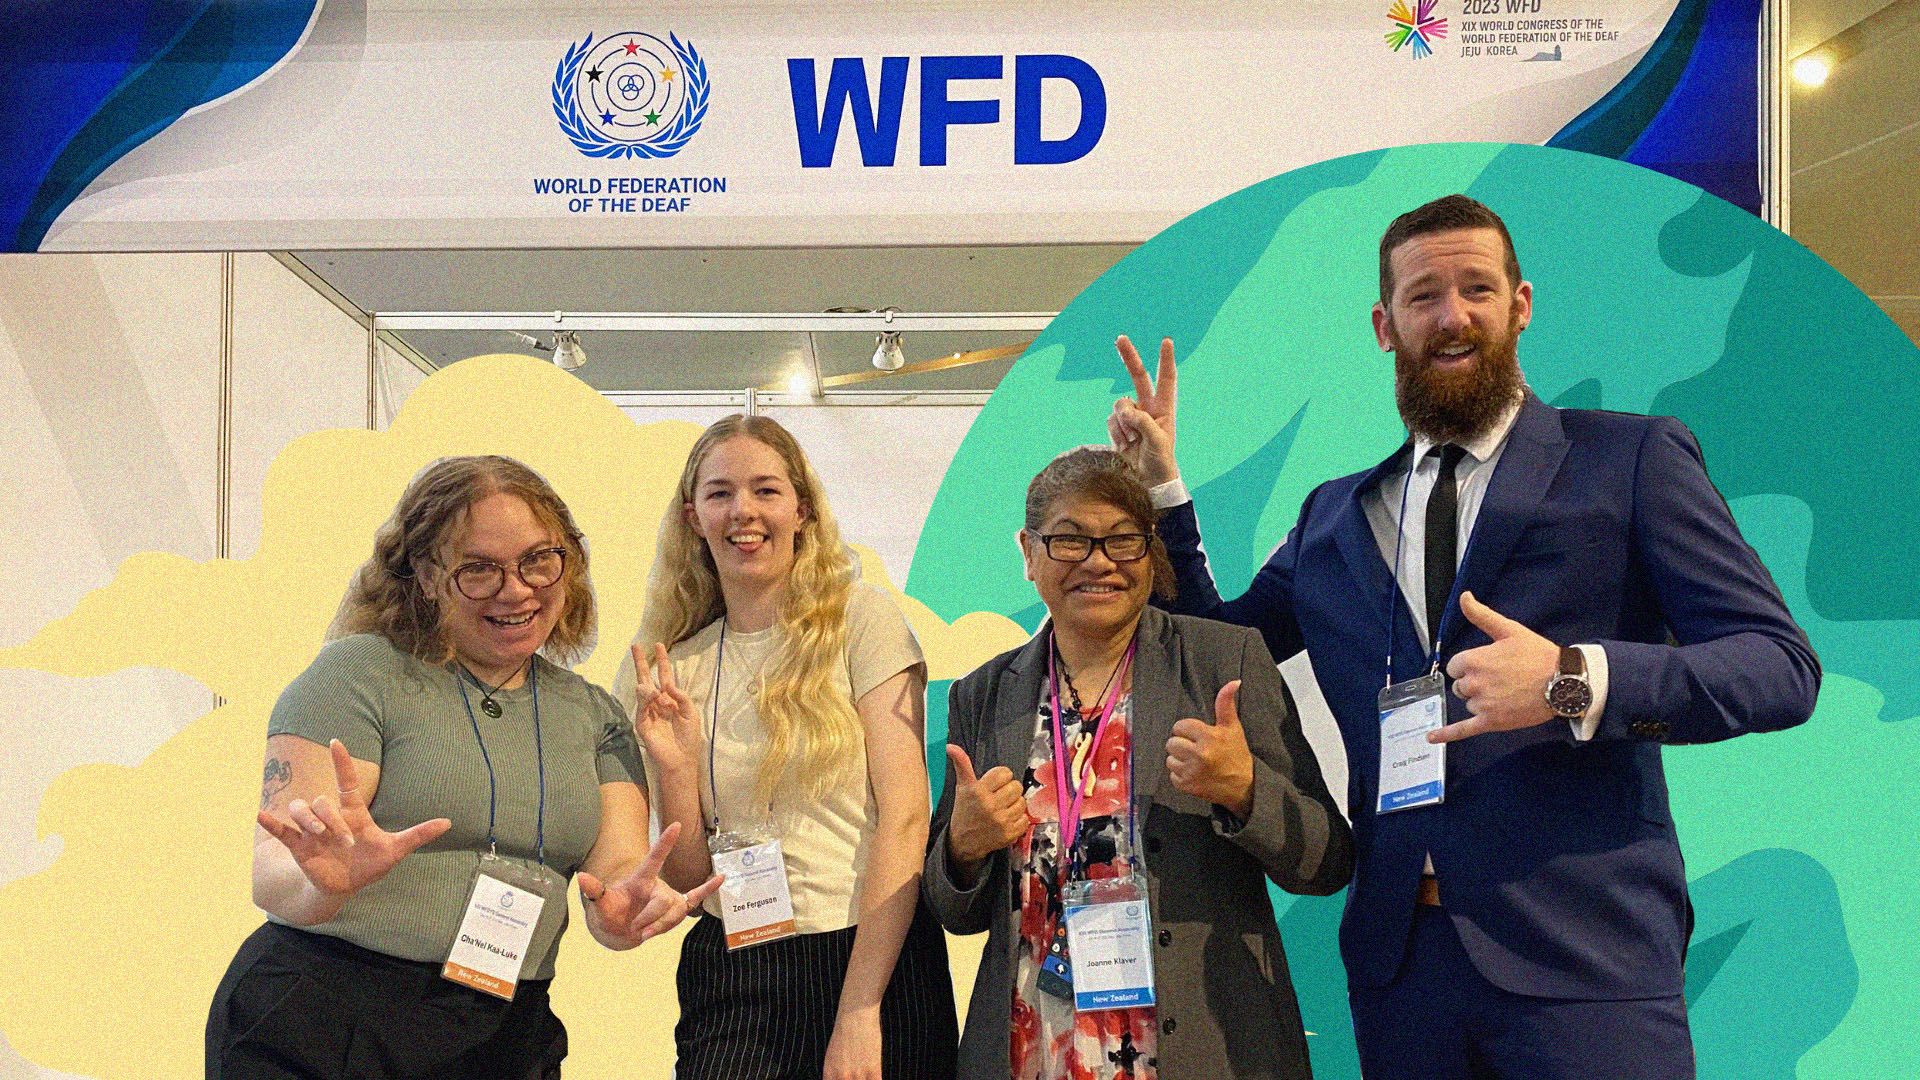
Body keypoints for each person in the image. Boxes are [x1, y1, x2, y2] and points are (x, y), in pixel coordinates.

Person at [1107, 194, 1821, 1078]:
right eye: (1424, 296)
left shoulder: (1630, 460)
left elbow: (1778, 667)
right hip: (1403, 972)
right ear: (1385, 326)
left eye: (1477, 289)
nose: (1453, 315)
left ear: (1520, 306)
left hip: (1587, 962)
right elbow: (1216, 645)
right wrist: (1163, 492)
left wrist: (1569, 679)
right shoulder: (1334, 516)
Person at [207, 455, 718, 1079]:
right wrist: (324, 883)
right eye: (479, 569)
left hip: (505, 1031)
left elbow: (614, 873)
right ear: (426, 575)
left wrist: (623, 911)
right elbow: (273, 869)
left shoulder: (595, 715)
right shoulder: (357, 675)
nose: (517, 589)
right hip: (327, 1017)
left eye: (539, 560)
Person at [924, 446, 1352, 1080]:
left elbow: (1327, 863)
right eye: (1069, 540)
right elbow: (953, 911)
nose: (1098, 561)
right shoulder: (983, 695)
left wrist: (1246, 791)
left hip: (1204, 1050)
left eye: (1123, 540)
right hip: (1034, 1050)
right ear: (1029, 552)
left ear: (1152, 552)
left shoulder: (1222, 662)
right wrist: (963, 848)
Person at [617, 414, 957, 1080]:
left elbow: (907, 818)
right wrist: (675, 770)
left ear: (802, 510)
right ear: (693, 517)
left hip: (875, 959)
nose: (743, 511)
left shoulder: (863, 620)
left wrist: (859, 1012)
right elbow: (688, 878)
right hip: (737, 967)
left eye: (765, 490)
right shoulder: (668, 669)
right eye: (720, 493)